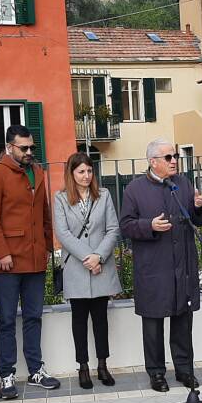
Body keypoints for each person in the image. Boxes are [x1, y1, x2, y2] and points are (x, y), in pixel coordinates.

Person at [119, 139, 202, 393]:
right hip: (153, 269)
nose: (174, 161)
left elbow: (199, 220)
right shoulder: (134, 190)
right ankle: (156, 373)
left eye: (175, 156)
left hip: (182, 266)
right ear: (153, 161)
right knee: (153, 325)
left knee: (182, 321)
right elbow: (125, 225)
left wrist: (200, 208)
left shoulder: (182, 184)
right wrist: (150, 226)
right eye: (168, 157)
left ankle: (184, 370)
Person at [0, 125, 60, 399]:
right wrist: (1, 252)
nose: (29, 152)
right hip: (8, 262)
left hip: (36, 257)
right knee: (6, 320)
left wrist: (49, 245)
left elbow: (44, 212)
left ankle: (36, 370)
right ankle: (7, 374)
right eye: (23, 148)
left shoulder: (37, 171)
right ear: (9, 147)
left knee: (33, 317)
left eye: (31, 148)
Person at [53, 152, 121, 389]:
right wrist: (88, 258)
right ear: (72, 173)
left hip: (101, 266)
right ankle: (83, 366)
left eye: (89, 171)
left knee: (101, 319)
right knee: (79, 320)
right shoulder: (60, 198)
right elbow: (63, 234)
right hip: (77, 267)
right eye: (81, 171)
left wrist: (99, 256)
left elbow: (113, 229)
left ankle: (102, 365)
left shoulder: (103, 195)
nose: (86, 176)